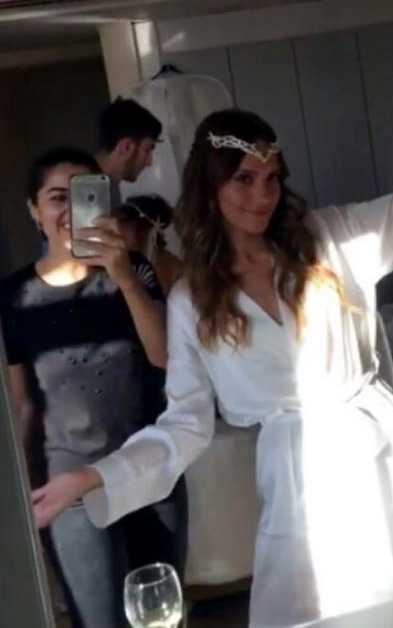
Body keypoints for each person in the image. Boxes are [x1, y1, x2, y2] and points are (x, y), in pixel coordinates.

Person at [30, 16, 393, 628]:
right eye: (243, 180)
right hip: (296, 484)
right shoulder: (193, 301)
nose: (262, 196)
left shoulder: (332, 240)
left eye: (271, 180)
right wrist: (94, 475)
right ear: (211, 188)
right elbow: (184, 423)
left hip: (381, 465)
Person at [0, 147, 187, 628]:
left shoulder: (135, 271)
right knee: (98, 621)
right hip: (68, 484)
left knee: (162, 616)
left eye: (84, 195)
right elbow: (21, 405)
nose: (70, 210)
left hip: (148, 467)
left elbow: (165, 356)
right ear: (34, 210)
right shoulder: (13, 297)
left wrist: (124, 277)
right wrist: (23, 496)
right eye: (56, 197)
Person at [95, 98, 162, 206]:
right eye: (147, 150)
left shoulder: (110, 187)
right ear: (126, 147)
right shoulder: (81, 190)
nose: (149, 162)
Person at [114, 194, 182, 296]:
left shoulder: (174, 269)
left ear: (147, 228)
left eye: (124, 222)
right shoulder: (125, 263)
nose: (117, 229)